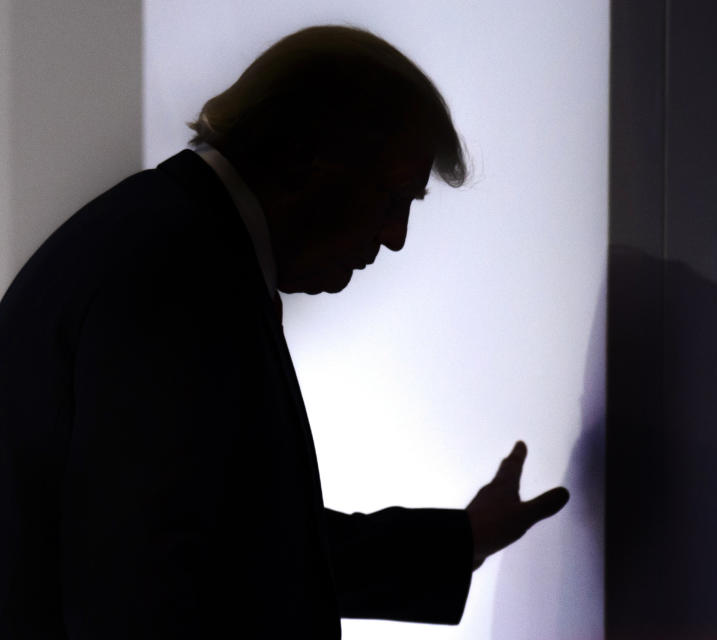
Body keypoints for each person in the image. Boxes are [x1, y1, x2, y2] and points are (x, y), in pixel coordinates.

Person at [0, 25, 569, 639]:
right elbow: (146, 588)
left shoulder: (170, 241)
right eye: (393, 197)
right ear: (308, 159)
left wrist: (460, 542)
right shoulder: (181, 276)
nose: (396, 236)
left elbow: (236, 544)